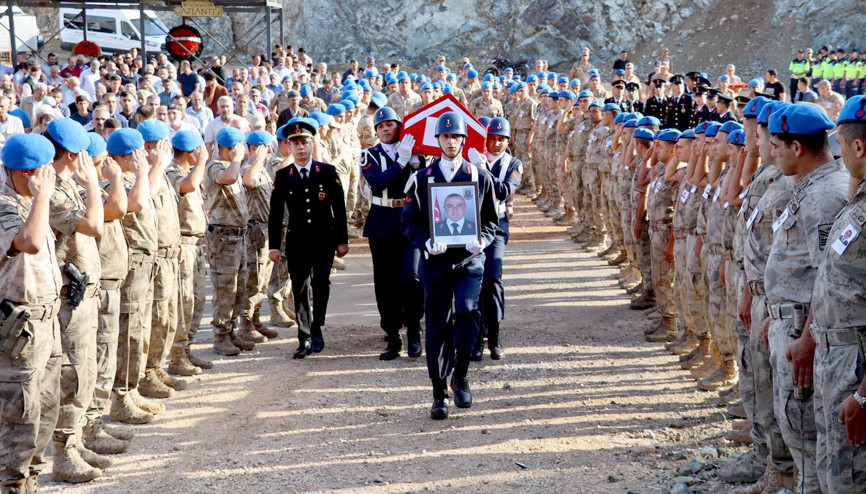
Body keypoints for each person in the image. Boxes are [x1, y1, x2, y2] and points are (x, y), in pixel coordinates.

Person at [762, 103, 849, 493]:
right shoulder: (810, 187)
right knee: (797, 432)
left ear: (797, 148)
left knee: (809, 438)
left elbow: (825, 279)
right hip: (792, 323)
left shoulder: (825, 196)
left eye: (777, 145)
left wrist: (807, 337)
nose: (772, 152)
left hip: (806, 329)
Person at [401, 111, 498, 420]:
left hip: (469, 259)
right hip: (436, 262)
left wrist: (481, 240)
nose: (451, 141)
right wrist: (426, 243)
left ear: (463, 139)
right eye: (445, 136)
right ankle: (439, 392)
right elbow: (409, 222)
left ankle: (462, 374)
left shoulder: (478, 175)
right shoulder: (422, 179)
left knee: (469, 312)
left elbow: (492, 221)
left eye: (456, 136)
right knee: (437, 326)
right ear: (437, 140)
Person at [44, 118, 109, 483]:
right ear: (71, 153)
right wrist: (91, 185)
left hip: (83, 293)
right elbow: (94, 225)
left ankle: (76, 440)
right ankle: (62, 453)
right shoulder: (53, 188)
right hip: (68, 298)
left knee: (85, 372)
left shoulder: (65, 182)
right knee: (70, 375)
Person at [0, 134, 62, 494]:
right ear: (27, 174)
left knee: (44, 412)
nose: (51, 175)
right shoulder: (7, 204)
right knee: (18, 420)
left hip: (45, 322)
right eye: (44, 170)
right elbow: (31, 243)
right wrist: (41, 196)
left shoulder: (26, 196)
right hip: (19, 328)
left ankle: (30, 483)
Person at [811, 96, 866, 493]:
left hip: (857, 369)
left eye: (841, 146)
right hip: (837, 358)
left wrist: (864, 397)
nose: (837, 154)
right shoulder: (859, 197)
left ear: (858, 147)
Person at [268, 118, 349, 359]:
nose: (300, 147)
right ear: (289, 147)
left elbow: (339, 209)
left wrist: (342, 241)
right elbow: (275, 214)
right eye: (295, 144)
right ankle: (303, 336)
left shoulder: (327, 172)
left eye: (304, 142)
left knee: (321, 283)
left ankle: (317, 327)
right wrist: (274, 246)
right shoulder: (283, 176)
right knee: (300, 288)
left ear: (312, 144)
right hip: (297, 241)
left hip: (324, 240)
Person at [361, 107, 425, 360]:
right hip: (382, 219)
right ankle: (393, 334)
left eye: (390, 124)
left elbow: (423, 180)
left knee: (411, 277)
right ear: (376, 131)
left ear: (399, 126)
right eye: (381, 126)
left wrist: (416, 162)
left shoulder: (414, 150)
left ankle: (414, 331)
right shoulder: (370, 154)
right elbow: (377, 182)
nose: (386, 129)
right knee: (385, 282)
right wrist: (401, 161)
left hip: (409, 219)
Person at [469, 117, 523, 360]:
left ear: (508, 141)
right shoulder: (471, 158)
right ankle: (477, 337)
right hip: (472, 224)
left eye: (501, 139)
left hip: (497, 225)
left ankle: (495, 334)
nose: (496, 143)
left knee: (492, 276)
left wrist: (483, 171)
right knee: (475, 279)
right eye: (491, 138)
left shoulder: (514, 164)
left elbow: (502, 191)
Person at [203, 127, 257, 356]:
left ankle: (231, 330)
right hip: (223, 238)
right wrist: (235, 159)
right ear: (229, 148)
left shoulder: (232, 165)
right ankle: (220, 335)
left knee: (239, 287)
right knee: (225, 289)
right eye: (238, 147)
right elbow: (230, 178)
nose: (243, 151)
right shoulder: (216, 165)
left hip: (239, 235)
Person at [165, 130, 213, 373]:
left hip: (196, 245)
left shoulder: (188, 171)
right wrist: (203, 161)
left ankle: (187, 350)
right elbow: (188, 186)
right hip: (183, 246)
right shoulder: (173, 172)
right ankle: (176, 356)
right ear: (190, 151)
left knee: (197, 300)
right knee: (184, 302)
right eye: (198, 150)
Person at [239, 130, 281, 342]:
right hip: (254, 230)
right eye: (266, 148)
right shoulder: (249, 167)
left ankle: (255, 320)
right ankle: (245, 325)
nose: (271, 151)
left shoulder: (263, 169)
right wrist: (256, 160)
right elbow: (249, 182)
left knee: (263, 281)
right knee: (253, 281)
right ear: (256, 148)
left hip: (265, 229)